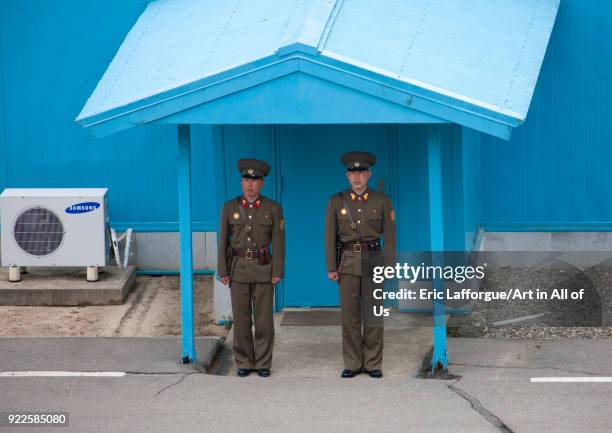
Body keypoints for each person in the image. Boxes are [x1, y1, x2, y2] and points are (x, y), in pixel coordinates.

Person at [325, 151, 396, 378]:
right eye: (352, 173)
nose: (357, 178)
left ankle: (373, 363)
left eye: (361, 173)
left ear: (369, 174)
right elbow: (330, 237)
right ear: (347, 175)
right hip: (347, 262)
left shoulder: (382, 201)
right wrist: (331, 266)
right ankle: (353, 363)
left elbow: (391, 237)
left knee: (373, 313)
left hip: (374, 260)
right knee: (350, 315)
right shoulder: (336, 201)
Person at [217, 158, 285, 377]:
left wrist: (277, 271)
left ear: (262, 183)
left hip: (264, 268)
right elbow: (223, 242)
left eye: (254, 180)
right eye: (246, 179)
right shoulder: (229, 207)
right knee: (242, 319)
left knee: (264, 320)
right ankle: (244, 362)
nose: (249, 184)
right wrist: (223, 271)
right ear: (241, 181)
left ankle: (263, 362)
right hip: (237, 269)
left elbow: (279, 242)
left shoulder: (273, 208)